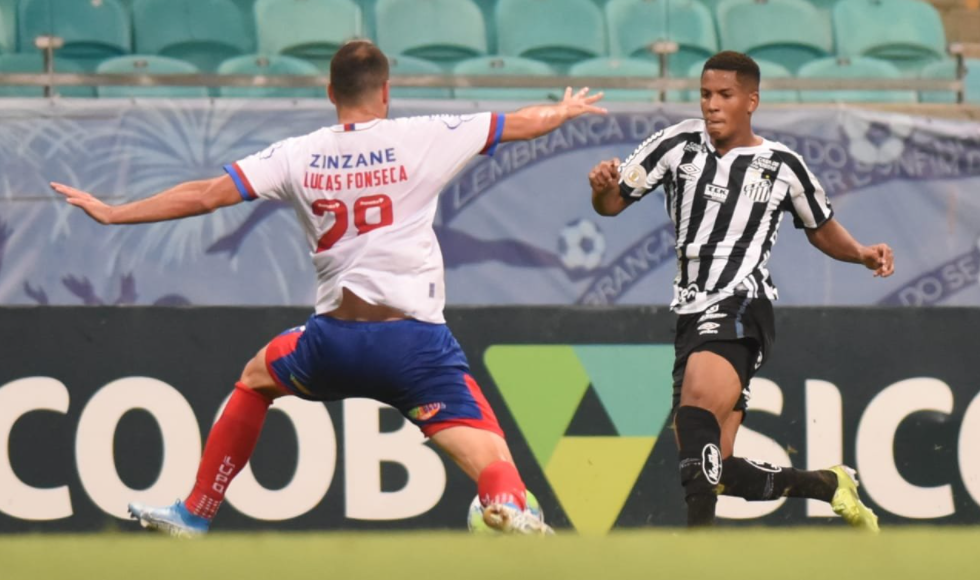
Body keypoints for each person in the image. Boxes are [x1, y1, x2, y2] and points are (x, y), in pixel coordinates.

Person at [52, 40, 606, 537]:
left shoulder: (297, 154)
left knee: (253, 382)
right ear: (387, 91)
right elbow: (525, 123)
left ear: (329, 92)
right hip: (414, 349)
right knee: (492, 461)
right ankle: (511, 508)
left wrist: (114, 212)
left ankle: (196, 513)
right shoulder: (424, 136)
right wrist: (566, 108)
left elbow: (205, 195)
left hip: (331, 343)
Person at [587, 51, 893, 530]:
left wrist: (861, 254)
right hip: (690, 310)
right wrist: (601, 188)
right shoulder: (677, 143)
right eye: (706, 94)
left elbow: (820, 226)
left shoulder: (781, 165)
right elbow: (611, 204)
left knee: (695, 414)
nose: (711, 105)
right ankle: (829, 485)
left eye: (724, 95)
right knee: (713, 469)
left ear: (751, 101)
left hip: (741, 301)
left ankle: (697, 553)